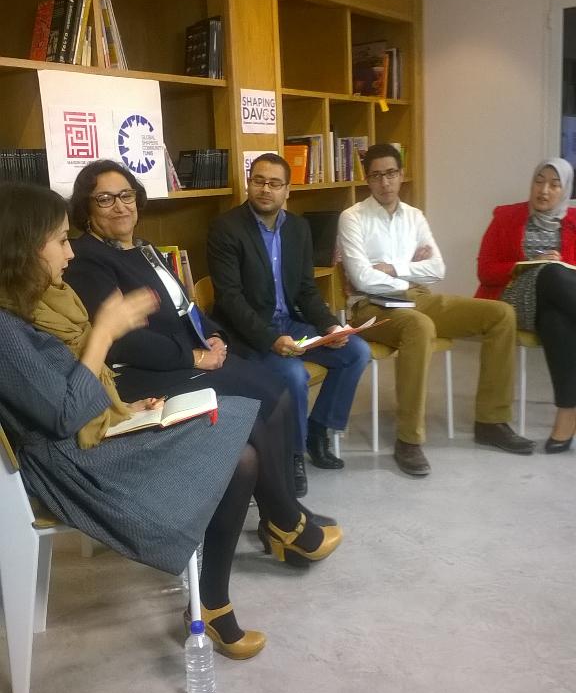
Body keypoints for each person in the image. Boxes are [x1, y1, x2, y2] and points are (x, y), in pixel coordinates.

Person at [0, 183, 341, 663]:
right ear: (24, 249)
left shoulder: (37, 303)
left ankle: (227, 587)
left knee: (240, 433)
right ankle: (240, 576)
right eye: (59, 240)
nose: (69, 252)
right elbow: (63, 413)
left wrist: (125, 408)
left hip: (91, 432)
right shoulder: (5, 331)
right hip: (75, 465)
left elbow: (67, 391)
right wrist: (104, 332)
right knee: (240, 451)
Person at [65, 159, 339, 544]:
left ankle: (281, 511)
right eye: (105, 199)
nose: (120, 206)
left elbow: (187, 306)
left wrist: (213, 335)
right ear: (86, 208)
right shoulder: (87, 258)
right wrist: (195, 356)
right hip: (142, 375)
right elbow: (123, 339)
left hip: (180, 358)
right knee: (255, 406)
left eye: (126, 195)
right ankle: (286, 521)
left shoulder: (144, 249)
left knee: (276, 390)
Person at [337, 143, 534, 477]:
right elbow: (361, 278)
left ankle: (491, 421)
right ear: (367, 180)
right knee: (420, 326)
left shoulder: (414, 216)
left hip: (418, 297)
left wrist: (393, 268)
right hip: (370, 306)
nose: (385, 182)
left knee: (500, 314)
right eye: (376, 176)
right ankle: (408, 439)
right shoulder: (353, 217)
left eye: (391, 173)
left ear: (401, 175)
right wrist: (411, 269)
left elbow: (438, 269)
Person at [207, 153, 371, 488]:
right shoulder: (226, 228)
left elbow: (307, 290)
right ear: (249, 183)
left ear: (287, 190)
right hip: (249, 334)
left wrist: (330, 326)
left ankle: (318, 430)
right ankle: (293, 454)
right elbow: (230, 300)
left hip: (290, 325)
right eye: (258, 181)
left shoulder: (298, 228)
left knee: (356, 352)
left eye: (274, 183)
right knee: (294, 375)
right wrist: (270, 339)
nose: (265, 189)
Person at [476, 157, 576, 452]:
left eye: (554, 185)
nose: (544, 190)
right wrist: (531, 264)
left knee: (556, 320)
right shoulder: (506, 216)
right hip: (512, 299)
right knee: (551, 272)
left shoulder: (573, 222)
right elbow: (485, 270)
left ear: (566, 190)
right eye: (539, 181)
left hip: (557, 304)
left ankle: (567, 414)